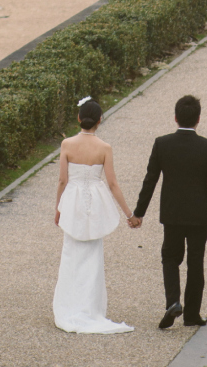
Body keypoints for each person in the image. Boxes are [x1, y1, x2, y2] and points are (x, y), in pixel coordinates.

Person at [130, 93, 207, 330]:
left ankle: (173, 301)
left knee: (170, 257)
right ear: (198, 119)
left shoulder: (162, 144)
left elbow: (150, 180)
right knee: (196, 262)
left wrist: (139, 212)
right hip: (199, 216)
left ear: (175, 117)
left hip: (172, 213)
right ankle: (192, 314)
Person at [51, 95, 135, 335]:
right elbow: (112, 184)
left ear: (78, 118)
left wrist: (58, 207)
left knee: (71, 255)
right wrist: (129, 214)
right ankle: (90, 308)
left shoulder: (67, 145)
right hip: (94, 204)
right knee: (93, 256)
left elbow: (62, 180)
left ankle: (69, 305)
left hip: (73, 202)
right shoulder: (104, 148)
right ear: (100, 120)